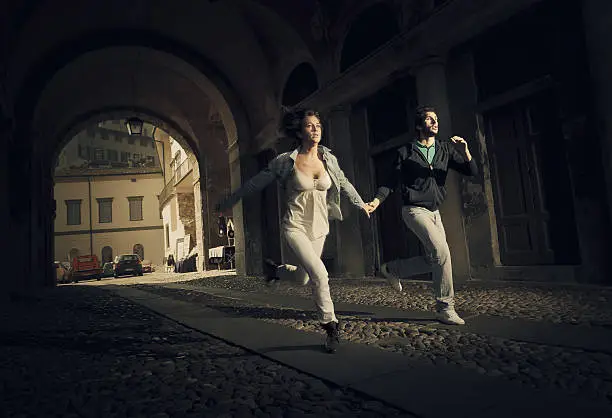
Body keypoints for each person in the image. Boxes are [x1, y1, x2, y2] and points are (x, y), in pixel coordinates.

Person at [216, 109, 372, 353]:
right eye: (310, 126)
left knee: (303, 277)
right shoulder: (285, 161)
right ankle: (331, 325)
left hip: (320, 227)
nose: (316, 129)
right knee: (321, 274)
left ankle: (276, 271)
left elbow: (343, 182)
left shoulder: (328, 159)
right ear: (299, 132)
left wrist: (360, 203)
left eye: (318, 124)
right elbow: (256, 182)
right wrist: (230, 200)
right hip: (295, 226)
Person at [366, 106, 478, 325]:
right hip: (413, 209)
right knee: (442, 252)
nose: (435, 123)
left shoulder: (445, 149)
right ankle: (445, 307)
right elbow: (390, 181)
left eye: (436, 119)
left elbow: (471, 171)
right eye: (429, 119)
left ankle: (392, 269)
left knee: (435, 258)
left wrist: (465, 150)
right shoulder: (406, 151)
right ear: (419, 125)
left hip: (435, 211)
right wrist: (376, 201)